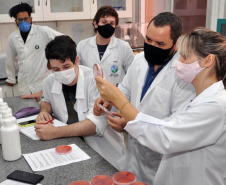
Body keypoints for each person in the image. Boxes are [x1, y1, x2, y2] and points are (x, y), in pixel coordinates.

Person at [95, 28, 226, 185]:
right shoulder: (198, 99)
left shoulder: (216, 105)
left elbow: (165, 136)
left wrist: (118, 99)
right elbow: (166, 124)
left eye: (184, 56)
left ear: (208, 61)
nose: (179, 62)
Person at [35, 35, 127, 171]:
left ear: (76, 60)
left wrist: (55, 132)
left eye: (66, 66)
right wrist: (44, 111)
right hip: (71, 150)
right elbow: (46, 101)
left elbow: (95, 125)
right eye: (56, 69)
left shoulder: (95, 81)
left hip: (103, 154)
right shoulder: (50, 81)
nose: (61, 73)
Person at [5, 2, 62, 96]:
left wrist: (52, 60)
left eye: (26, 18)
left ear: (31, 19)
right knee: (27, 109)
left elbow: (64, 40)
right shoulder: (13, 38)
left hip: (42, 83)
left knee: (46, 108)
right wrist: (11, 78)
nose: (23, 22)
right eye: (20, 19)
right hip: (24, 84)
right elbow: (10, 59)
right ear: (16, 22)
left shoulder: (43, 31)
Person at [77, 6, 134, 86]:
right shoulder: (82, 46)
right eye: (104, 22)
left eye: (112, 23)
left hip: (115, 96)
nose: (108, 26)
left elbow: (133, 75)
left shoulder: (124, 47)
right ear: (96, 24)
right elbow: (77, 75)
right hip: (91, 96)